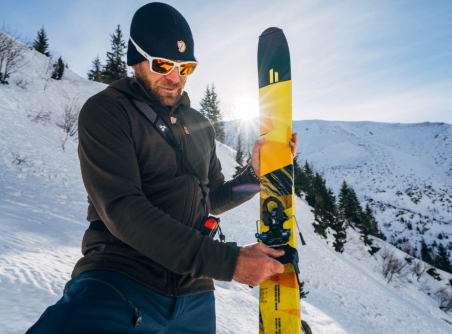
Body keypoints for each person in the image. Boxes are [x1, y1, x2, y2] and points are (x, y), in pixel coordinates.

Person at [26, 2, 298, 334]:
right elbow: (123, 209)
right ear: (135, 58)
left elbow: (212, 197)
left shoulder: (200, 125)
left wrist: (254, 176)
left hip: (194, 296)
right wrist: (229, 262)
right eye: (163, 64)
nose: (175, 78)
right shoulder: (107, 112)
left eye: (186, 68)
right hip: (119, 279)